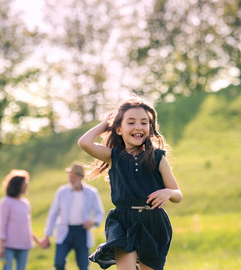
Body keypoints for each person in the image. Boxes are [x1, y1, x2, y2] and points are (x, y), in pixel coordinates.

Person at [78, 96, 183, 270]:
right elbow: (84, 142)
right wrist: (106, 124)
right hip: (123, 221)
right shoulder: (113, 156)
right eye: (131, 122)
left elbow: (177, 194)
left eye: (144, 123)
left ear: (150, 128)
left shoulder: (157, 158)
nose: (138, 127)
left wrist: (168, 193)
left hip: (153, 222)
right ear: (119, 129)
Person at [40, 162, 105, 270]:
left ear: (81, 178)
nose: (71, 180)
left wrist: (93, 222)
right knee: (59, 263)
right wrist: (47, 235)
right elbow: (53, 214)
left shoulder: (91, 193)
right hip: (65, 231)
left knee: (83, 266)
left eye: (73, 177)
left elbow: (99, 213)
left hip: (82, 232)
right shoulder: (62, 192)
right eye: (70, 177)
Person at [0, 169, 40, 270]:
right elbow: (2, 225)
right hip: (8, 245)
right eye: (25, 184)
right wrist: (1, 246)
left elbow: (27, 226)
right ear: (17, 186)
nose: (27, 186)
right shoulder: (6, 202)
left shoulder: (25, 203)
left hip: (24, 245)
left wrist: (37, 241)